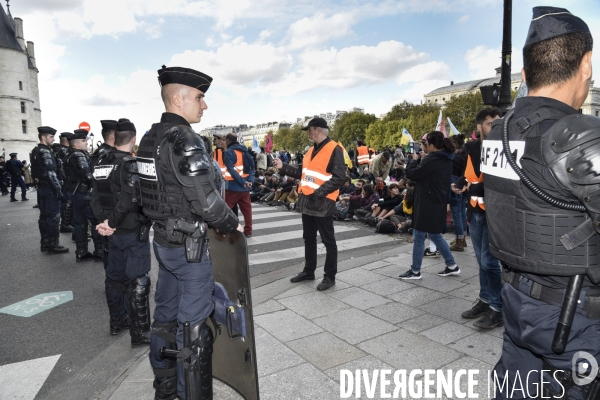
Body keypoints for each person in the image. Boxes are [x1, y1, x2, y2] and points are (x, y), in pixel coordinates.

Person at [484, 8, 600, 398]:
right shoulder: (579, 137)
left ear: (524, 74)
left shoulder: (498, 132)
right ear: (585, 64)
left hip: (519, 303)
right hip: (577, 318)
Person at [137, 65, 240, 400]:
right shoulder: (184, 139)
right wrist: (230, 224)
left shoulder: (149, 138)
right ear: (179, 98)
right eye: (200, 97)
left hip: (165, 244)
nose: (204, 105)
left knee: (165, 320)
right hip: (189, 249)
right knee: (195, 335)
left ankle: (165, 390)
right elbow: (206, 202)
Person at [91, 119, 152, 346]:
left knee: (115, 278)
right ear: (134, 139)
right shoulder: (130, 164)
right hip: (130, 229)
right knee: (138, 281)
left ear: (115, 138)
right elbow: (129, 199)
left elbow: (94, 196)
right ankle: (140, 332)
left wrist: (103, 222)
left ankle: (117, 322)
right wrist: (113, 222)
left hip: (111, 232)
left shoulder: (101, 162)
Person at [274, 117, 346, 291]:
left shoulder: (334, 149)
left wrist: (319, 193)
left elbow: (340, 178)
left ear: (318, 130)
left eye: (309, 129)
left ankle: (330, 277)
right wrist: (283, 167)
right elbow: (302, 173)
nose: (307, 133)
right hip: (308, 201)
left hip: (322, 202)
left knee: (329, 241)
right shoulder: (310, 151)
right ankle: (309, 271)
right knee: (309, 239)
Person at [455, 108, 503, 330]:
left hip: (494, 212)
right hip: (474, 211)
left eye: (498, 122)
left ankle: (498, 307)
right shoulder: (471, 148)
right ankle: (485, 300)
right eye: (491, 123)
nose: (496, 126)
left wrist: (474, 185)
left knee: (489, 262)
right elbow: (467, 176)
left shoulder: (505, 148)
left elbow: (501, 182)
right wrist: (460, 184)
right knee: (481, 261)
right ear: (479, 127)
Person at [399, 131, 460, 280]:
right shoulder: (446, 158)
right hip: (437, 201)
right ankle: (452, 265)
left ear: (432, 145)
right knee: (435, 235)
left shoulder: (432, 159)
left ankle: (415, 271)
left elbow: (413, 174)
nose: (424, 147)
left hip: (427, 203)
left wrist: (414, 161)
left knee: (419, 236)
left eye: (425, 144)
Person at [64, 129, 103, 262]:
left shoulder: (70, 154)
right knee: (95, 221)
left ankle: (81, 251)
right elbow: (87, 176)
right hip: (84, 193)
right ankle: (99, 251)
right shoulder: (78, 155)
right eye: (83, 141)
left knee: (80, 223)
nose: (86, 142)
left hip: (75, 193)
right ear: (75, 144)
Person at [29, 127, 69, 254]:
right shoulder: (44, 151)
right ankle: (53, 244)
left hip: (42, 187)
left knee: (44, 216)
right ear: (43, 137)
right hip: (50, 188)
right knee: (53, 217)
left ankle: (45, 243)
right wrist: (59, 191)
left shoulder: (36, 150)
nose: (54, 139)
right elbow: (50, 173)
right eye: (51, 137)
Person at [223, 133, 255, 237]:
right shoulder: (245, 151)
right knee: (247, 210)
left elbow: (231, 170)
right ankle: (248, 230)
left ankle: (224, 230)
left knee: (226, 210)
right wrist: (249, 181)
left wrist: (242, 182)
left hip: (233, 186)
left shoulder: (229, 152)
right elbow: (252, 169)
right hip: (245, 188)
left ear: (228, 141)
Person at [448, 134, 468, 251]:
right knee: (462, 214)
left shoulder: (454, 157)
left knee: (456, 215)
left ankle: (459, 241)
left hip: (455, 184)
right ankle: (462, 238)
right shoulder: (466, 154)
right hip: (464, 183)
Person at [53, 132, 73, 233]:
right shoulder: (65, 151)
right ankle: (65, 224)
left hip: (61, 179)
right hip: (66, 180)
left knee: (65, 202)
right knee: (68, 202)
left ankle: (66, 223)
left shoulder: (57, 150)